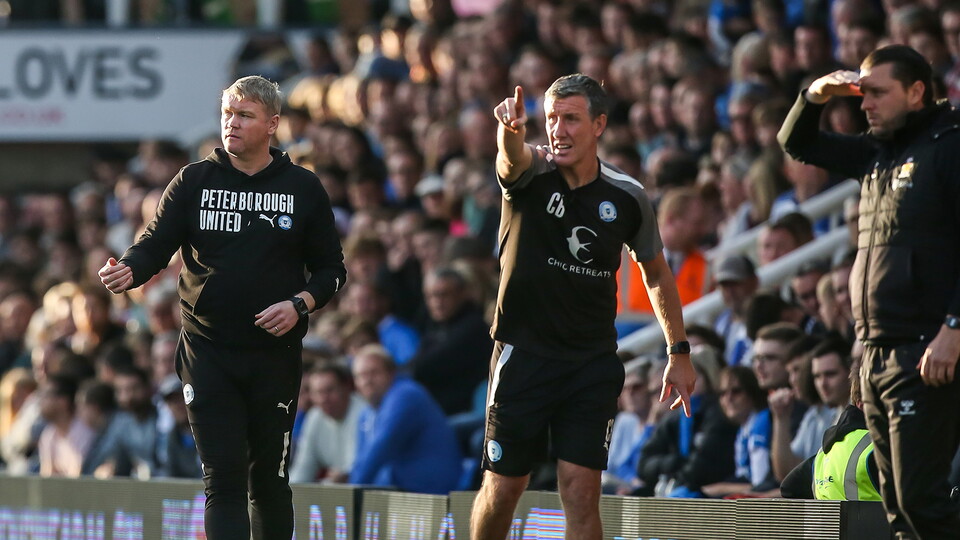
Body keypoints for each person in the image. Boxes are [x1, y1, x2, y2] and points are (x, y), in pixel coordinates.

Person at [98, 75, 346, 540]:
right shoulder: (195, 179)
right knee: (223, 479)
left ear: (273, 124)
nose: (231, 124)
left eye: (244, 115)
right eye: (227, 114)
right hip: (207, 352)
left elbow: (332, 270)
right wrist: (130, 269)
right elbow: (156, 243)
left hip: (273, 354)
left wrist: (300, 304)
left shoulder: (302, 187)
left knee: (268, 480)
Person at [471, 74, 696, 540]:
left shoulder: (628, 196)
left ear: (598, 125)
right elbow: (510, 158)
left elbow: (655, 273)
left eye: (571, 119)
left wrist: (679, 351)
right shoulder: (531, 172)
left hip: (590, 363)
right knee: (504, 486)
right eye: (551, 119)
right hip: (524, 355)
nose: (559, 130)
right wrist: (509, 132)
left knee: (580, 491)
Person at [779, 44, 960, 539]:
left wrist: (954, 328)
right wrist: (815, 94)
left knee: (922, 497)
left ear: (917, 91)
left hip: (927, 350)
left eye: (878, 93)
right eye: (863, 94)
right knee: (897, 504)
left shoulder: (949, 147)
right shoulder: (879, 153)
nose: (865, 104)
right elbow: (798, 143)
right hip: (878, 353)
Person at [348, 344, 462, 494]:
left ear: (391, 373)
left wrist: (350, 492)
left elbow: (381, 448)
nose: (367, 381)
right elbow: (362, 458)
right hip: (402, 493)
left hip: (433, 493)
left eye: (373, 373)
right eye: (361, 375)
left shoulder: (405, 394)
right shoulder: (365, 414)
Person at [288, 361, 364, 484]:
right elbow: (303, 468)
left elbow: (355, 469)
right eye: (318, 392)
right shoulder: (314, 417)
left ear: (347, 387)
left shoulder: (363, 412)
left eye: (330, 390)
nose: (323, 399)